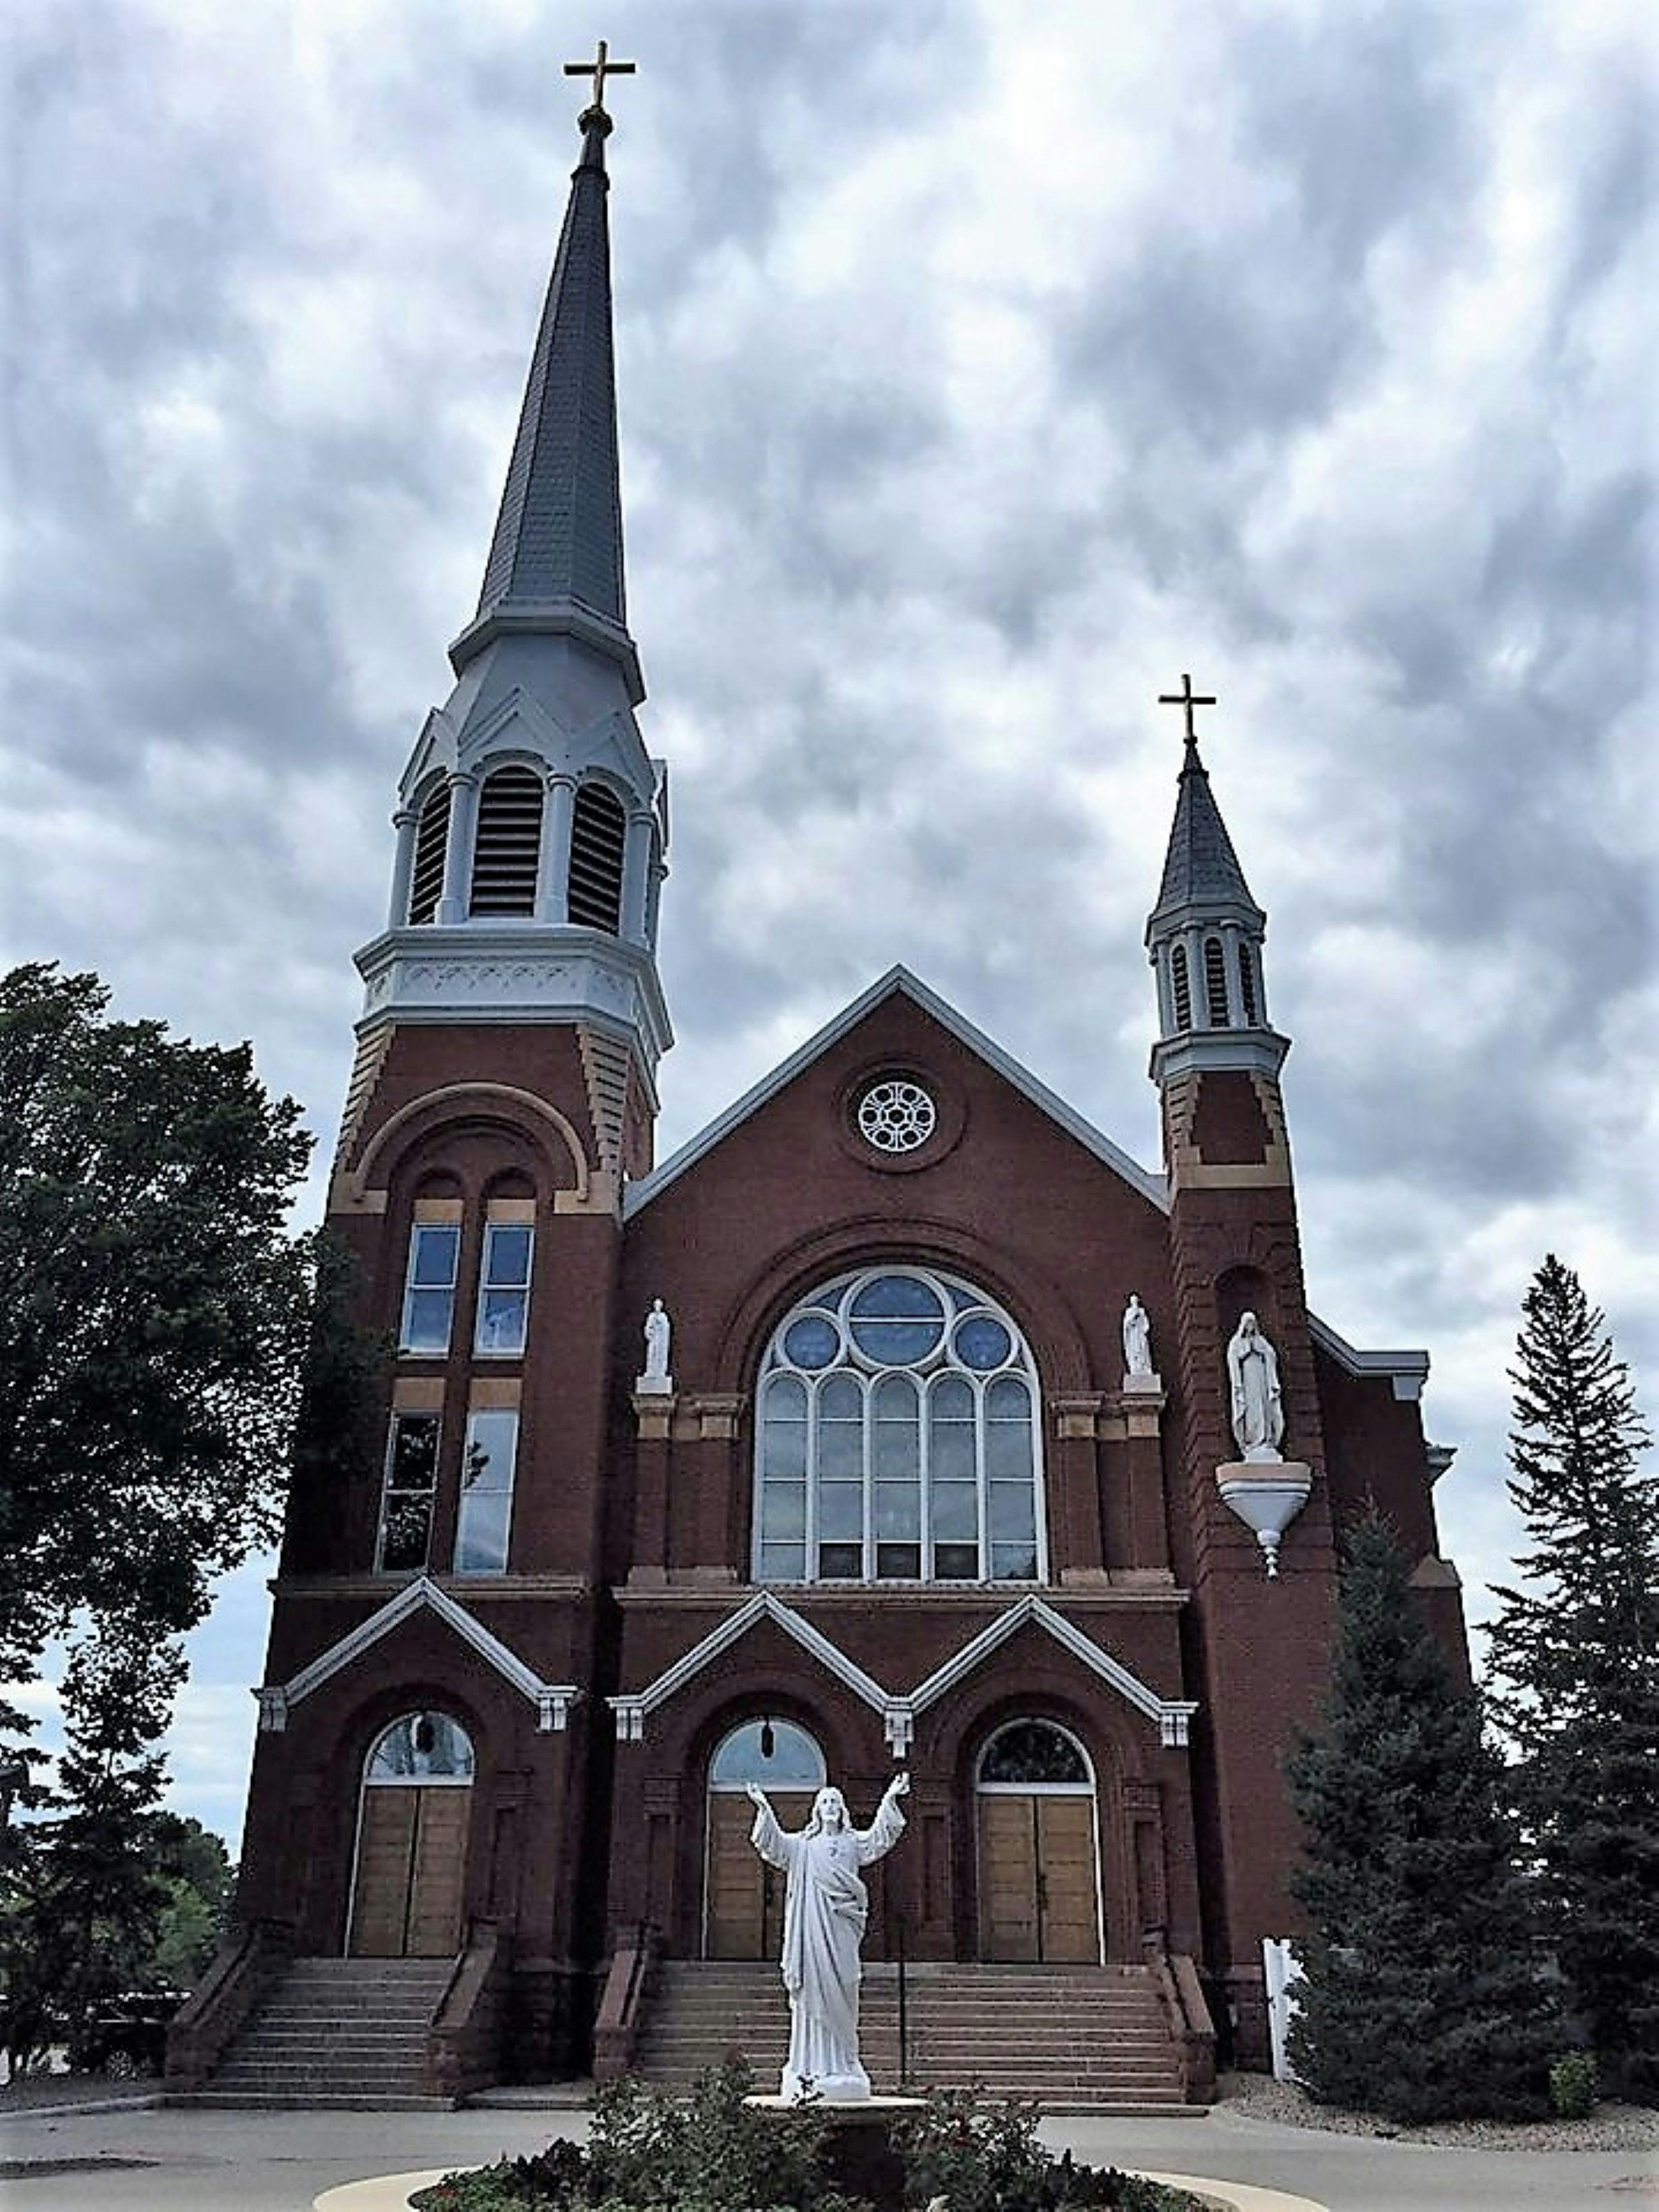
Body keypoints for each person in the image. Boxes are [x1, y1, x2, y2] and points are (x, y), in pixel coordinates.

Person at [746, 1770, 909, 2100]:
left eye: (836, 1801)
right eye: (825, 1802)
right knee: (811, 1996)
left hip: (842, 1931)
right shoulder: (803, 1847)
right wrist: (764, 1810)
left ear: (843, 1809)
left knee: (848, 1983)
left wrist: (890, 1799)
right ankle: (808, 2066)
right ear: (816, 1811)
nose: (831, 1806)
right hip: (811, 1934)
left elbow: (879, 1838)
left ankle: (846, 2063)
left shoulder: (851, 1842)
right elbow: (775, 1846)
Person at [1226, 1310, 1284, 1459]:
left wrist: (1262, 1353)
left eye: (1252, 1324)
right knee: (1252, 1409)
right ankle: (1252, 1440)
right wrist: (1245, 1353)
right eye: (1248, 1324)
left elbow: (1271, 1355)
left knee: (1264, 1407)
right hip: (1248, 1380)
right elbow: (1233, 1360)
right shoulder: (1237, 1342)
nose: (1250, 1327)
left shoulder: (1261, 1341)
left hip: (1261, 1378)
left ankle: (1266, 1438)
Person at [1122, 1293, 1153, 1378]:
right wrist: (1133, 1320)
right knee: (1135, 1352)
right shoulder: (1129, 1311)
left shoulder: (1141, 1311)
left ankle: (1144, 1368)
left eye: (1136, 1300)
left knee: (1143, 1350)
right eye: (1133, 1300)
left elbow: (1146, 1324)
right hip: (1133, 1336)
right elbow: (1126, 1325)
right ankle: (1135, 1369)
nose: (1134, 1301)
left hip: (1140, 1335)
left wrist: (1144, 1329)